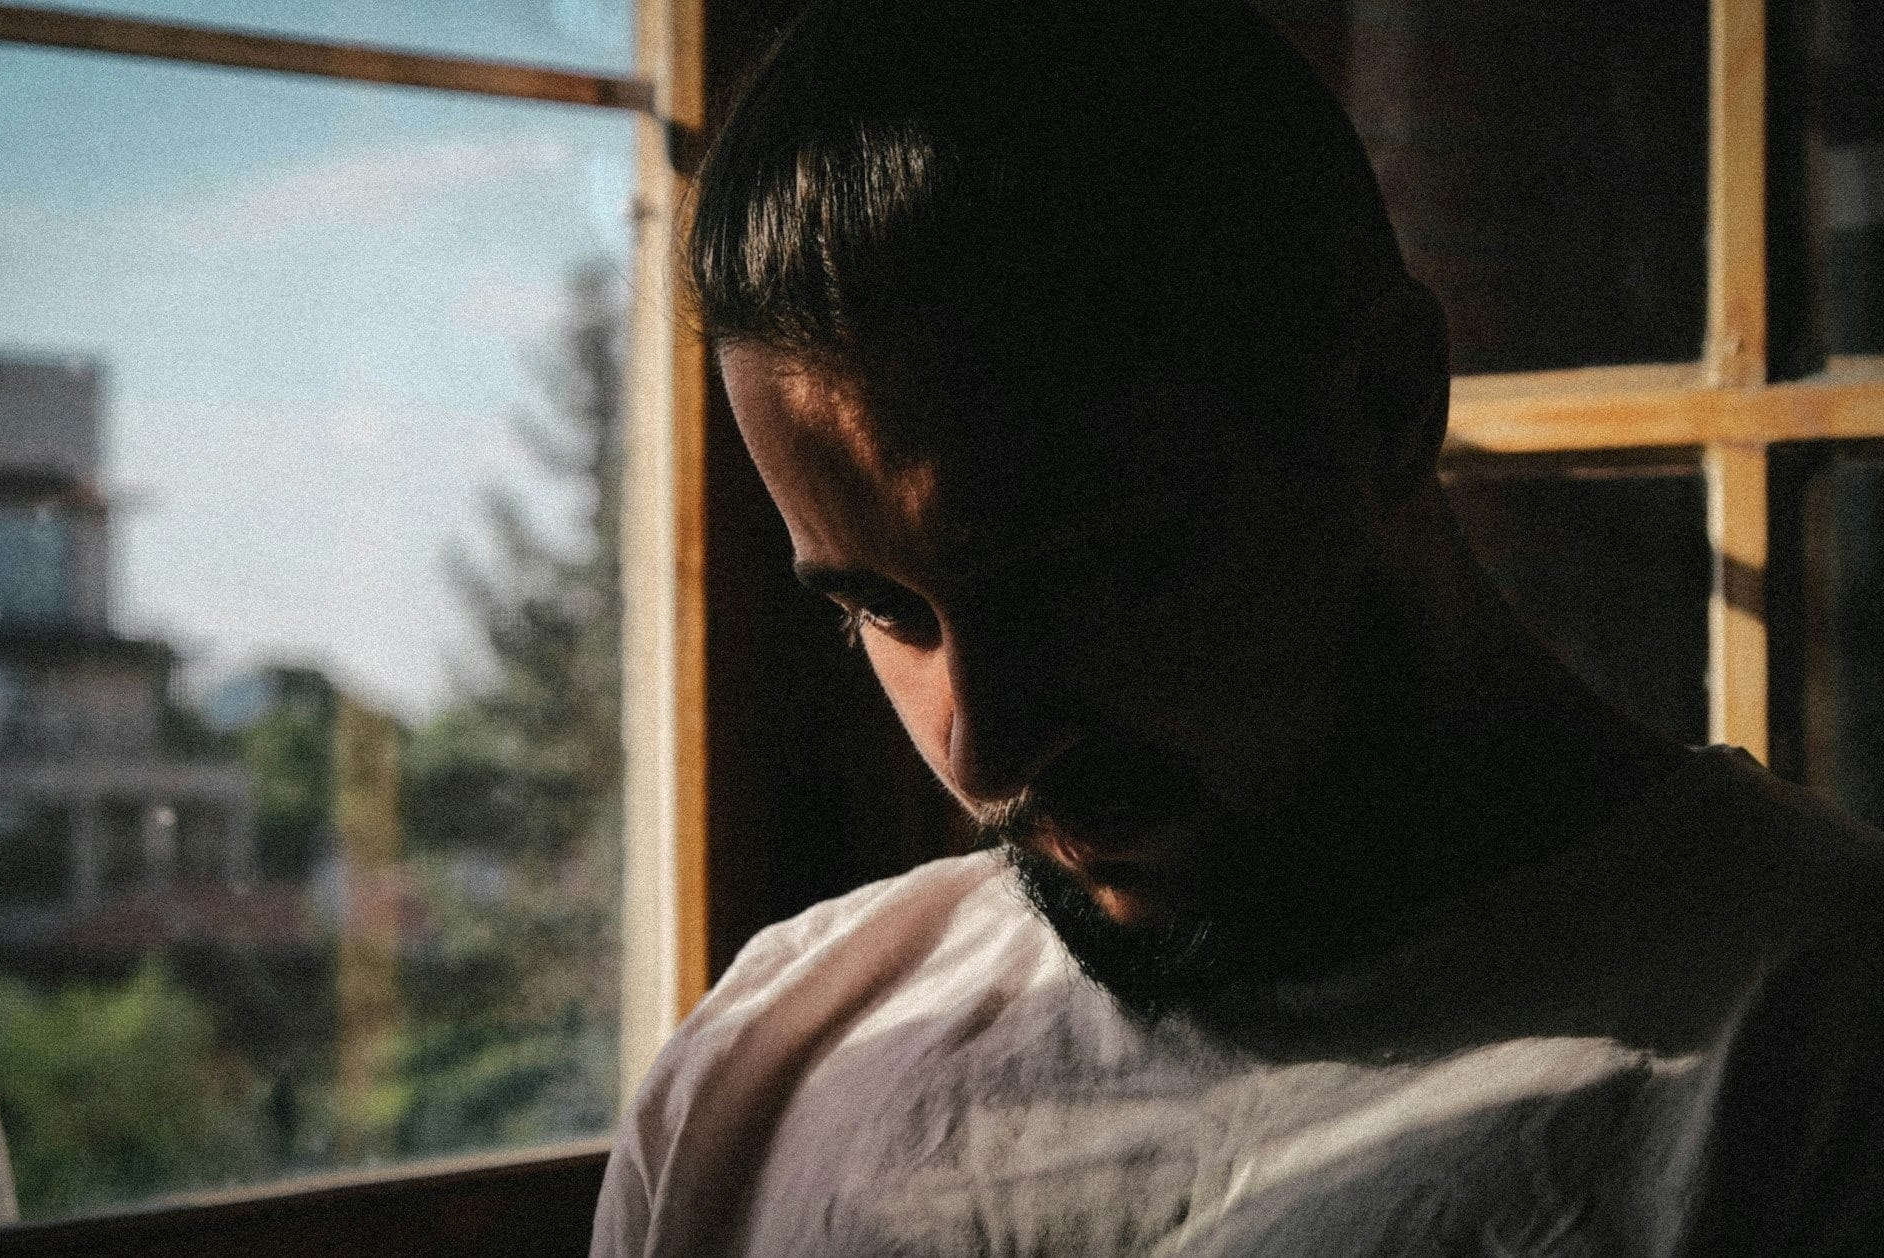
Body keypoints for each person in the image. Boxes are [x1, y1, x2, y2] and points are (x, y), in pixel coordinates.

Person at [592, 1, 1884, 1253]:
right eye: (884, 604)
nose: (983, 748)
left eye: (1077, 574)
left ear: (1385, 406)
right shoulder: (767, 1058)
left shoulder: (1814, 1056)